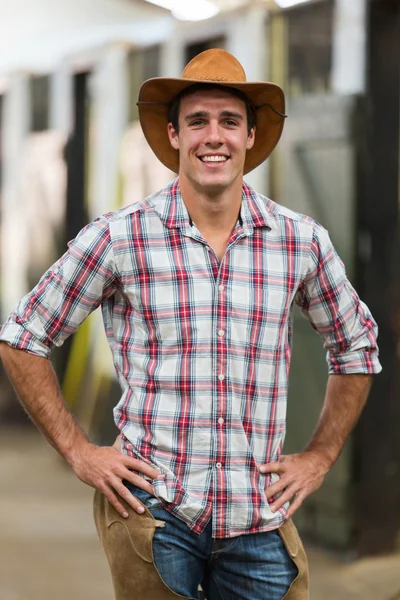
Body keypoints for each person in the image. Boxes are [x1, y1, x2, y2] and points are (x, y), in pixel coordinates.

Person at [0, 49, 381, 600]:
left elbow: (357, 346)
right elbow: (24, 335)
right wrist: (79, 452)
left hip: (259, 514)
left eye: (229, 121)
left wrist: (320, 456)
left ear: (250, 136)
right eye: (197, 121)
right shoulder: (120, 237)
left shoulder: (300, 240)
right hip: (153, 512)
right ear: (174, 135)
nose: (213, 136)